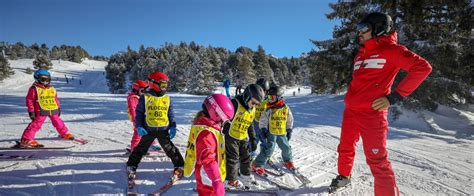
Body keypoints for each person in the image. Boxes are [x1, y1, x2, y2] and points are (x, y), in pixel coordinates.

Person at [329, 12, 432, 195]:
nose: (359, 33)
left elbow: (422, 68)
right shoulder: (360, 55)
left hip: (372, 114)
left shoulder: (392, 50)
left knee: (377, 160)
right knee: (345, 147)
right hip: (351, 111)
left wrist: (394, 97)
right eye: (358, 28)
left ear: (378, 29)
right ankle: (344, 176)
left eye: (364, 28)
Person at [126, 71, 185, 182]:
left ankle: (179, 165)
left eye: (166, 85)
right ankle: (131, 165)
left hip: (163, 130)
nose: (164, 87)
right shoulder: (145, 98)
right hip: (149, 129)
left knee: (170, 149)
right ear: (153, 83)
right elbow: (138, 113)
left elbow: (170, 114)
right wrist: (139, 126)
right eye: (162, 84)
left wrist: (173, 126)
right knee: (141, 149)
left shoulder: (167, 98)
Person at [183, 94, 235, 196]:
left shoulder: (205, 127)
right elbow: (208, 159)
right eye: (224, 120)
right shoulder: (207, 134)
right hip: (208, 178)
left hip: (208, 175)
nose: (223, 124)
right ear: (216, 113)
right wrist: (216, 180)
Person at [223, 84, 264, 189]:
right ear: (247, 96)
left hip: (242, 136)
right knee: (232, 158)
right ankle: (230, 180)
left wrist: (253, 139)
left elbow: (250, 125)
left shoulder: (252, 109)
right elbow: (224, 118)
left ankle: (246, 176)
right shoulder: (235, 104)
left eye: (257, 104)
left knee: (246, 157)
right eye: (253, 102)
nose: (254, 105)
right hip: (231, 135)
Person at [18, 70, 74, 148]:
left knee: (58, 122)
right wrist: (31, 111)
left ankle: (64, 133)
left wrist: (58, 108)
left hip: (53, 109)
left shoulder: (51, 88)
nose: (45, 81)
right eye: (43, 79)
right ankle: (26, 140)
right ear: (37, 78)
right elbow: (29, 100)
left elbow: (55, 99)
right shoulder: (34, 89)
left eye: (47, 79)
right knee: (36, 124)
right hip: (40, 110)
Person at [252, 86, 294, 174]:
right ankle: (257, 164)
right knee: (269, 149)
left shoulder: (285, 108)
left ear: (279, 98)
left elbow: (290, 119)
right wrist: (263, 129)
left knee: (286, 148)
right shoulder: (269, 109)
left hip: (282, 133)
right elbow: (263, 120)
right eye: (269, 97)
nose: (270, 100)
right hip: (271, 133)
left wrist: (289, 129)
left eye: (272, 97)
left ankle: (288, 160)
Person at [126, 80, 149, 153]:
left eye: (145, 90)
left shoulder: (139, 97)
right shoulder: (133, 98)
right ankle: (134, 150)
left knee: (148, 130)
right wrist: (136, 122)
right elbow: (133, 110)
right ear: (136, 90)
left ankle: (151, 143)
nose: (144, 93)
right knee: (138, 134)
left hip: (143, 117)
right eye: (142, 91)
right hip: (137, 118)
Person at [251, 78, 271, 159]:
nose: (261, 92)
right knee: (254, 137)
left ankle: (264, 154)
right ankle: (251, 152)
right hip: (255, 121)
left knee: (265, 139)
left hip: (266, 123)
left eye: (263, 90)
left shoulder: (269, 99)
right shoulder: (254, 97)